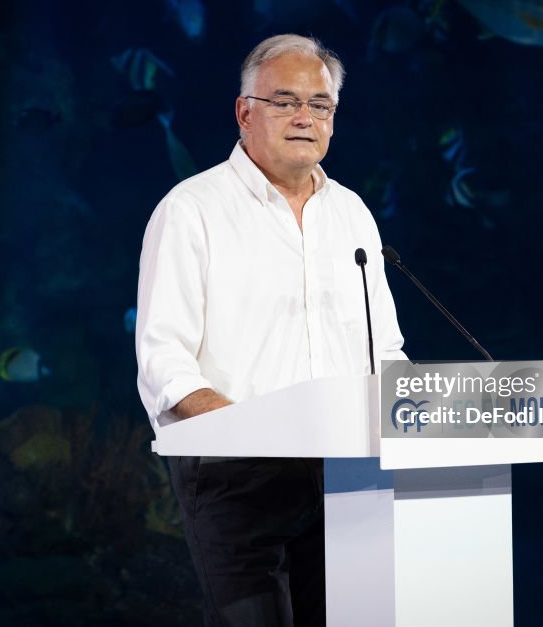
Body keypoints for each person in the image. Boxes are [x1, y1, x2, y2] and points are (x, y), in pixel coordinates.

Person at [135, 34, 406, 627]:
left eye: (320, 105)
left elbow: (384, 349)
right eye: (284, 101)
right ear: (244, 112)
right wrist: (244, 430)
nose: (304, 118)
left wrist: (422, 411)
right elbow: (164, 361)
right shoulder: (192, 208)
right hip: (237, 476)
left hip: (346, 471)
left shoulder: (352, 213)